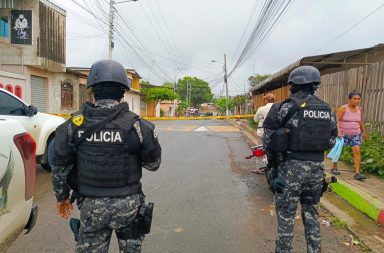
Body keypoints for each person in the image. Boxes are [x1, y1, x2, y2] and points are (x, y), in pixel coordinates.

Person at [51, 59, 161, 253]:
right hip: (128, 207)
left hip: (91, 206)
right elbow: (153, 164)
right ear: (122, 91)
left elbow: (60, 166)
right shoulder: (138, 125)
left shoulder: (72, 125)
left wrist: (62, 198)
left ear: (92, 90)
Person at [263, 66, 337, 253]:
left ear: (293, 85)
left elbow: (268, 142)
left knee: (287, 217)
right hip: (316, 171)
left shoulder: (283, 108)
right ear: (314, 85)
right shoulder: (327, 110)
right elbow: (331, 141)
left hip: (289, 170)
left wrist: (274, 168)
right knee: (311, 213)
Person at [330, 91, 366, 180]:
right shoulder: (343, 108)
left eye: (358, 99)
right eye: (355, 99)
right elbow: (336, 121)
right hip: (343, 133)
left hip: (355, 134)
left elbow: (360, 121)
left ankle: (357, 173)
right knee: (338, 150)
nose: (357, 101)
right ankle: (334, 167)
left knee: (357, 151)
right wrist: (338, 132)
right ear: (350, 99)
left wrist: (363, 132)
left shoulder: (359, 109)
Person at [251, 93, 275, 174]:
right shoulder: (278, 107)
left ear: (266, 100)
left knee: (261, 149)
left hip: (262, 132)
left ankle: (260, 169)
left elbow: (255, 120)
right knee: (273, 149)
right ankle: (273, 168)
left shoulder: (261, 109)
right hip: (274, 133)